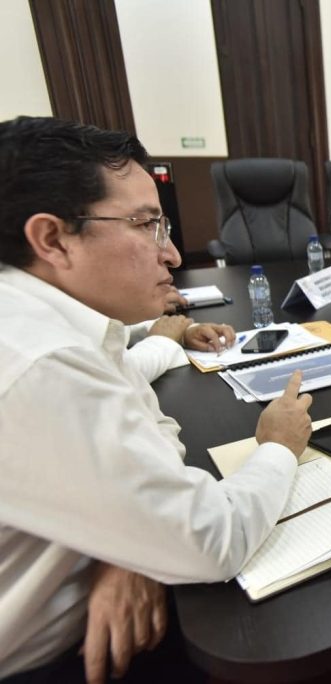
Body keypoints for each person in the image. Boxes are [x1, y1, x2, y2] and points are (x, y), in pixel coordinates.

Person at [0, 116, 314, 683]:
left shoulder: (55, 320)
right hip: (60, 661)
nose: (171, 255)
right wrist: (277, 445)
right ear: (52, 239)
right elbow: (212, 540)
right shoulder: (42, 362)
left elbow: (148, 419)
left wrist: (127, 546)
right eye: (146, 225)